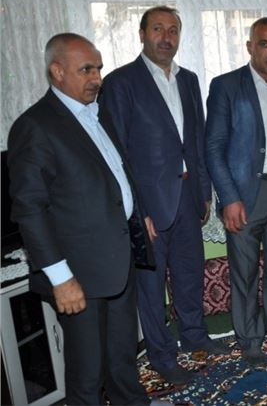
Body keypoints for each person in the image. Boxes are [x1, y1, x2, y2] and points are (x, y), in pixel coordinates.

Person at [7, 33, 163, 405]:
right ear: (57, 71)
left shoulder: (97, 112)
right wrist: (61, 279)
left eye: (99, 69)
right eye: (86, 70)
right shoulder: (35, 126)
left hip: (118, 262)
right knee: (87, 375)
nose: (97, 78)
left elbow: (117, 173)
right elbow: (29, 209)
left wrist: (138, 216)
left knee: (123, 359)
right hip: (78, 276)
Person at [100, 6, 228, 387]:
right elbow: (116, 152)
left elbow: (197, 140)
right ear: (142, 34)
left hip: (188, 198)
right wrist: (136, 211)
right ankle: (162, 356)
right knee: (151, 289)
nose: (166, 37)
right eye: (157, 29)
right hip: (149, 206)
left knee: (189, 275)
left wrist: (204, 192)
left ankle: (195, 336)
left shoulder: (188, 80)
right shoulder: (120, 83)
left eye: (173, 30)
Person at [205, 17, 267, 366]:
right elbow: (214, 146)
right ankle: (249, 337)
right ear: (250, 46)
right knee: (245, 270)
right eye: (264, 43)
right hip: (247, 193)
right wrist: (229, 197)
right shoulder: (226, 86)